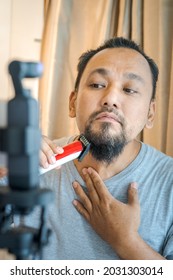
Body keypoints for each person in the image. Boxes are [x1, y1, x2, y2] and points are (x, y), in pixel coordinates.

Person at [1, 37, 173, 260]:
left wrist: (126, 241)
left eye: (129, 90)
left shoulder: (169, 181)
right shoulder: (32, 162)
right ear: (72, 103)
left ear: (150, 113)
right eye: (97, 85)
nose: (110, 98)